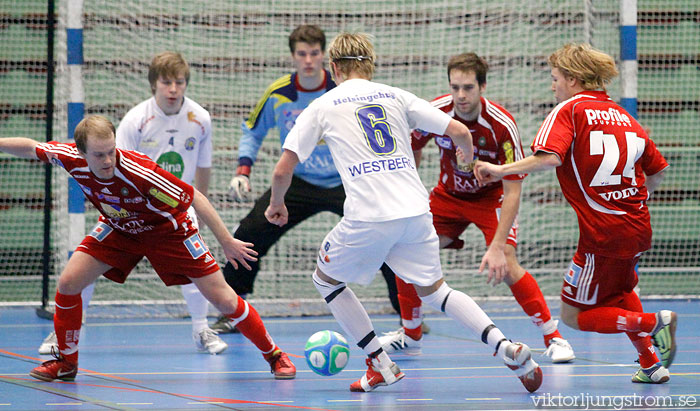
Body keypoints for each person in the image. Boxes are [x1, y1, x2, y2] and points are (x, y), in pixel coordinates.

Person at [265, 32, 542, 393]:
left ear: (333, 68)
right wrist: (468, 159)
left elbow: (282, 170)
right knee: (436, 291)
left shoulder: (323, 105)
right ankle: (506, 348)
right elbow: (459, 130)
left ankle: (380, 363)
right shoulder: (395, 95)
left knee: (326, 280)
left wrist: (276, 204)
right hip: (414, 211)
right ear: (370, 64)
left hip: (369, 216)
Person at [0, 115, 296, 382]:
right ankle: (66, 363)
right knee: (68, 282)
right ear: (80, 152)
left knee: (224, 300)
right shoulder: (68, 158)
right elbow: (31, 147)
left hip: (169, 232)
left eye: (111, 151)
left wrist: (226, 241)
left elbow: (195, 198)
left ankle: (274, 355)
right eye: (99, 155)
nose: (107, 160)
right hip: (121, 228)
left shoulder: (140, 172)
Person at [474, 43, 676, 384]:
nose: (552, 86)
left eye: (555, 79)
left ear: (573, 78)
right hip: (638, 227)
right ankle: (651, 363)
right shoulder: (625, 117)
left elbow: (550, 157)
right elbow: (657, 171)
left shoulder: (569, 110)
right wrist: (637, 203)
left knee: (573, 316)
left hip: (603, 234)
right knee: (621, 293)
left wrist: (499, 169)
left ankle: (653, 322)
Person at [378, 52, 575, 363]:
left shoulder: (501, 125)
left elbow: (513, 189)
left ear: (483, 87)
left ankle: (555, 337)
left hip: (491, 198)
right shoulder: (437, 112)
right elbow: (410, 150)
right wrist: (408, 195)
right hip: (447, 197)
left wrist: (497, 246)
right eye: (455, 87)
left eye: (468, 87)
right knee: (405, 252)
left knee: (508, 263)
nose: (460, 95)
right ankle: (411, 333)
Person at [38, 51, 228, 356]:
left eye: (179, 82)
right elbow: (110, 166)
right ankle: (66, 328)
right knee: (86, 265)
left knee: (195, 269)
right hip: (126, 208)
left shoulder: (200, 119)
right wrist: (112, 207)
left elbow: (203, 167)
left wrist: (198, 211)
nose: (173, 89)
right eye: (166, 82)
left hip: (176, 206)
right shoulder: (137, 119)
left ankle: (201, 328)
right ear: (154, 84)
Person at [215, 24, 401, 333]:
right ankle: (234, 310)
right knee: (249, 233)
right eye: (302, 54)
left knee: (387, 238)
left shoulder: (342, 90)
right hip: (298, 181)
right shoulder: (279, 94)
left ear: (326, 58)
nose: (309, 60)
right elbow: (252, 130)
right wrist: (242, 171)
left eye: (315, 53)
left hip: (347, 179)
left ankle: (407, 315)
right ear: (293, 57)